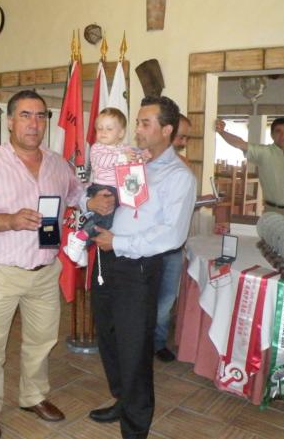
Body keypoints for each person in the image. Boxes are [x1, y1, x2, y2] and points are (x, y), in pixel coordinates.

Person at [0, 90, 96, 439]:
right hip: (3, 271)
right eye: (25, 115)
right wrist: (8, 220)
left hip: (46, 271)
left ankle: (33, 396)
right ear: (9, 121)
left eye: (40, 116)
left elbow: (76, 194)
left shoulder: (57, 164)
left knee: (41, 341)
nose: (34, 124)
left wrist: (96, 198)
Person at [87, 96, 197, 439]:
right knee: (108, 336)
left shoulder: (179, 176)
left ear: (166, 129)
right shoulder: (130, 160)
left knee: (134, 346)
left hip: (137, 266)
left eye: (145, 123)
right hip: (106, 258)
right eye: (136, 122)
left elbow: (172, 234)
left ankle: (135, 426)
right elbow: (93, 189)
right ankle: (122, 400)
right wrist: (91, 201)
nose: (137, 129)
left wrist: (119, 243)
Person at [64, 107, 133, 266]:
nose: (103, 132)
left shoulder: (124, 148)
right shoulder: (97, 148)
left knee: (105, 222)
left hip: (117, 190)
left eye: (109, 129)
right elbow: (104, 161)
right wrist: (123, 158)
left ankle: (81, 245)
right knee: (104, 220)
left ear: (121, 133)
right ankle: (80, 237)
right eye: (99, 128)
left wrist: (143, 156)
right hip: (102, 188)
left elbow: (134, 156)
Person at [215, 117, 284, 220]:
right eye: (278, 131)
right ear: (272, 134)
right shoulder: (263, 153)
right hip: (272, 211)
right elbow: (241, 144)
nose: (282, 135)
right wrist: (222, 132)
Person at [154, 114, 191, 363]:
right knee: (145, 299)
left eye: (187, 138)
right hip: (149, 247)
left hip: (174, 247)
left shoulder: (184, 165)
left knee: (167, 299)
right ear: (166, 132)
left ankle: (158, 343)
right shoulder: (145, 163)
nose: (184, 142)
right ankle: (138, 343)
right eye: (181, 137)